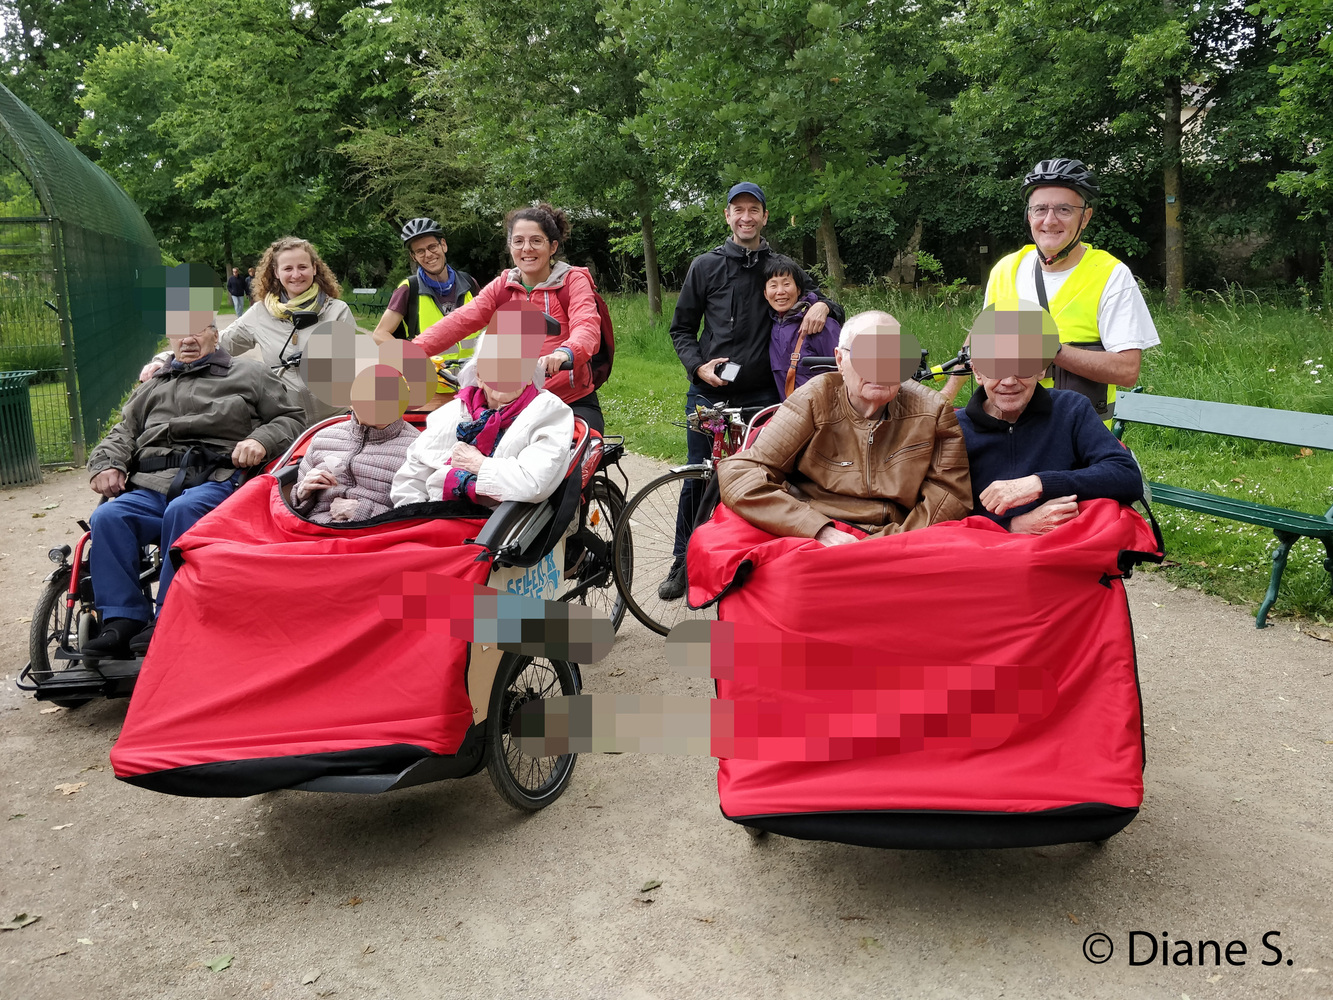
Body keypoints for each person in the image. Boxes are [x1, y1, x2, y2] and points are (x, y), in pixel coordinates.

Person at [661, 181, 844, 598]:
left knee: (762, 481)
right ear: (727, 215)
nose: (746, 217)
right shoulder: (704, 266)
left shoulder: (779, 265)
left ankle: (749, 560)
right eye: (738, 210)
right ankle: (682, 559)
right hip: (710, 392)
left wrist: (824, 305)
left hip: (764, 394)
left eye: (753, 210)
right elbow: (682, 328)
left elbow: (822, 300)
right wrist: (697, 365)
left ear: (764, 216)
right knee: (699, 476)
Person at [82, 317, 305, 656]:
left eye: (197, 331)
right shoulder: (153, 385)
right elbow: (122, 432)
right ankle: (122, 617)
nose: (187, 339)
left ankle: (170, 616)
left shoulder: (250, 374)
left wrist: (260, 439)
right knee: (109, 517)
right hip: (152, 483)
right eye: (179, 333)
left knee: (183, 510)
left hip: (217, 478)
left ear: (215, 334)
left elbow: (290, 418)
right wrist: (107, 464)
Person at [716, 311, 971, 545]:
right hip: (817, 532)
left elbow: (951, 495)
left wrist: (884, 544)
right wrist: (817, 529)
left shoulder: (932, 410)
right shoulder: (814, 399)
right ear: (840, 359)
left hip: (896, 538)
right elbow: (740, 473)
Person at [943, 158, 1159, 423]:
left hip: (1078, 434)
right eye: (1040, 209)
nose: (1050, 220)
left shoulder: (1111, 275)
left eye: (1064, 210)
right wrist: (946, 397)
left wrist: (1050, 350)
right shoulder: (1006, 269)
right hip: (1006, 428)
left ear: (1085, 217)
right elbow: (978, 339)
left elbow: (1127, 371)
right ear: (1029, 216)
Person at [411, 203, 605, 435]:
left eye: (536, 241)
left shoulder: (572, 281)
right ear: (510, 246)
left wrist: (566, 353)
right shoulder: (504, 286)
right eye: (518, 241)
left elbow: (586, 325)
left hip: (569, 400)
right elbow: (459, 321)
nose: (527, 248)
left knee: (579, 450)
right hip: (513, 403)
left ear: (552, 246)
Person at [954, 307, 1143, 534]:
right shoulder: (955, 429)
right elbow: (940, 514)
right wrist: (1012, 526)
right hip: (985, 551)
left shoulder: (1071, 409)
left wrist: (1040, 484)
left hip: (1062, 548)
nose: (1009, 381)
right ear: (977, 371)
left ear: (1042, 368)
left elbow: (1127, 476)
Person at [141, 238, 356, 423]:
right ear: (276, 272)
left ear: (314, 269)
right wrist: (163, 359)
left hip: (336, 419)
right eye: (288, 269)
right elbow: (217, 343)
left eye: (303, 267)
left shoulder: (337, 310)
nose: (296, 274)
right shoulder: (260, 313)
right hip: (286, 420)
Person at [392, 302, 575, 507]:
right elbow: (409, 479)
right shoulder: (452, 413)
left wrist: (478, 464)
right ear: (479, 376)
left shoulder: (549, 412)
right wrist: (416, 515)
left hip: (499, 522)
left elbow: (534, 483)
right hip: (433, 516)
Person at [370, 217, 483, 409]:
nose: (428, 254)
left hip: (473, 388)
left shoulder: (469, 283)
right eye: (420, 251)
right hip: (431, 392)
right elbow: (380, 334)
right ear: (414, 257)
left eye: (432, 247)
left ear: (443, 245)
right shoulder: (409, 288)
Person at [291, 413, 420, 524]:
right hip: (313, 532)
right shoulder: (322, 438)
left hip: (377, 537)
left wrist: (362, 511)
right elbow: (295, 512)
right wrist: (302, 495)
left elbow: (420, 519)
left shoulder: (419, 447)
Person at [765, 254, 841, 400]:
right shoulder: (771, 325)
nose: (780, 291)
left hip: (825, 410)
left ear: (799, 290)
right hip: (789, 410)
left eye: (786, 284)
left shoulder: (821, 324)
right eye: (773, 286)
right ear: (765, 294)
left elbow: (846, 373)